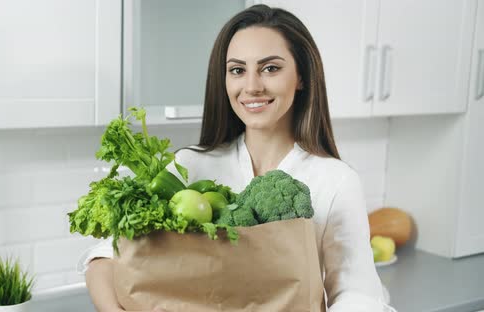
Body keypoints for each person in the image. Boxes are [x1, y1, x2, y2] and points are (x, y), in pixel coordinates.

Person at [78, 4, 395, 312]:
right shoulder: (189, 166)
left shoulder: (335, 181)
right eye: (237, 70)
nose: (252, 86)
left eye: (270, 68)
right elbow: (106, 256)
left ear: (301, 77)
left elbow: (358, 295)